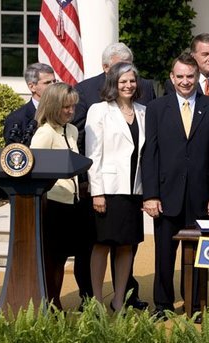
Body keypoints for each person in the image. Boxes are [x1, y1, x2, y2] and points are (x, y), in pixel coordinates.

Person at [73, 42, 154, 310]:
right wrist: (96, 191)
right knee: (101, 245)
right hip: (107, 190)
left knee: (127, 246)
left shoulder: (143, 112)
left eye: (132, 80)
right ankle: (95, 300)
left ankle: (119, 299)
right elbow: (92, 153)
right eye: (123, 81)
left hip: (133, 190)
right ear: (113, 82)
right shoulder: (99, 110)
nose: (129, 85)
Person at [141, 53, 209, 318]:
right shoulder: (156, 108)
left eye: (190, 76)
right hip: (165, 194)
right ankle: (162, 305)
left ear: (197, 77)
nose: (185, 81)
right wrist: (150, 195)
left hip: (200, 195)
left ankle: (195, 304)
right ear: (172, 78)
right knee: (164, 253)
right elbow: (149, 152)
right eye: (180, 76)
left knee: (197, 253)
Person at [30, 82, 85, 309]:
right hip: (51, 205)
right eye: (66, 107)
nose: (71, 111)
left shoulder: (71, 130)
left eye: (73, 107)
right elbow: (36, 173)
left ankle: (55, 302)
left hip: (71, 204)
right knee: (51, 260)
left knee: (62, 259)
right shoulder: (44, 133)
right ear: (53, 106)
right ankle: (50, 304)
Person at [4, 63, 56, 145]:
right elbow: (13, 154)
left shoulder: (63, 113)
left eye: (54, 81)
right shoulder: (16, 119)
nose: (53, 86)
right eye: (47, 83)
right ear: (32, 87)